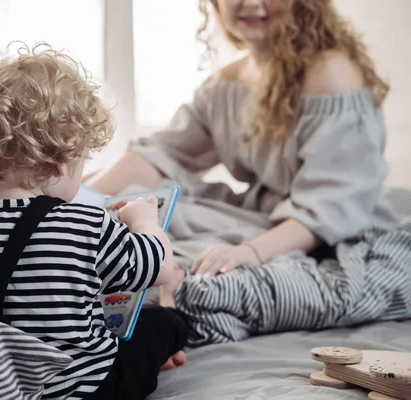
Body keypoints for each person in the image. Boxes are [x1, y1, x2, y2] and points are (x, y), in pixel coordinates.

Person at [88, 0, 411, 345]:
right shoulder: (228, 83)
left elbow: (330, 206)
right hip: (266, 216)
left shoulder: (331, 72)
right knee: (144, 213)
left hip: (336, 234)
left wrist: (251, 252)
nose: (251, 3)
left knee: (189, 270)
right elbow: (162, 155)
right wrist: (80, 199)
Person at [0, 43, 188, 400]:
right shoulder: (87, 225)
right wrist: (144, 221)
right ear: (61, 162)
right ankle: (168, 323)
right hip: (86, 390)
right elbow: (160, 266)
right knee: (163, 323)